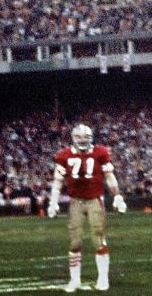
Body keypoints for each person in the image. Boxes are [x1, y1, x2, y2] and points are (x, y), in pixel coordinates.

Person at [47, 123, 127, 293]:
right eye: (79, 137)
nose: (82, 140)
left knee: (98, 240)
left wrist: (117, 195)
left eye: (86, 137)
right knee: (74, 241)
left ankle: (103, 278)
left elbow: (109, 175)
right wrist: (53, 202)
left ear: (91, 138)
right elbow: (57, 181)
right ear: (73, 138)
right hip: (75, 201)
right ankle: (74, 279)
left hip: (94, 200)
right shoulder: (64, 155)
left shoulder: (100, 152)